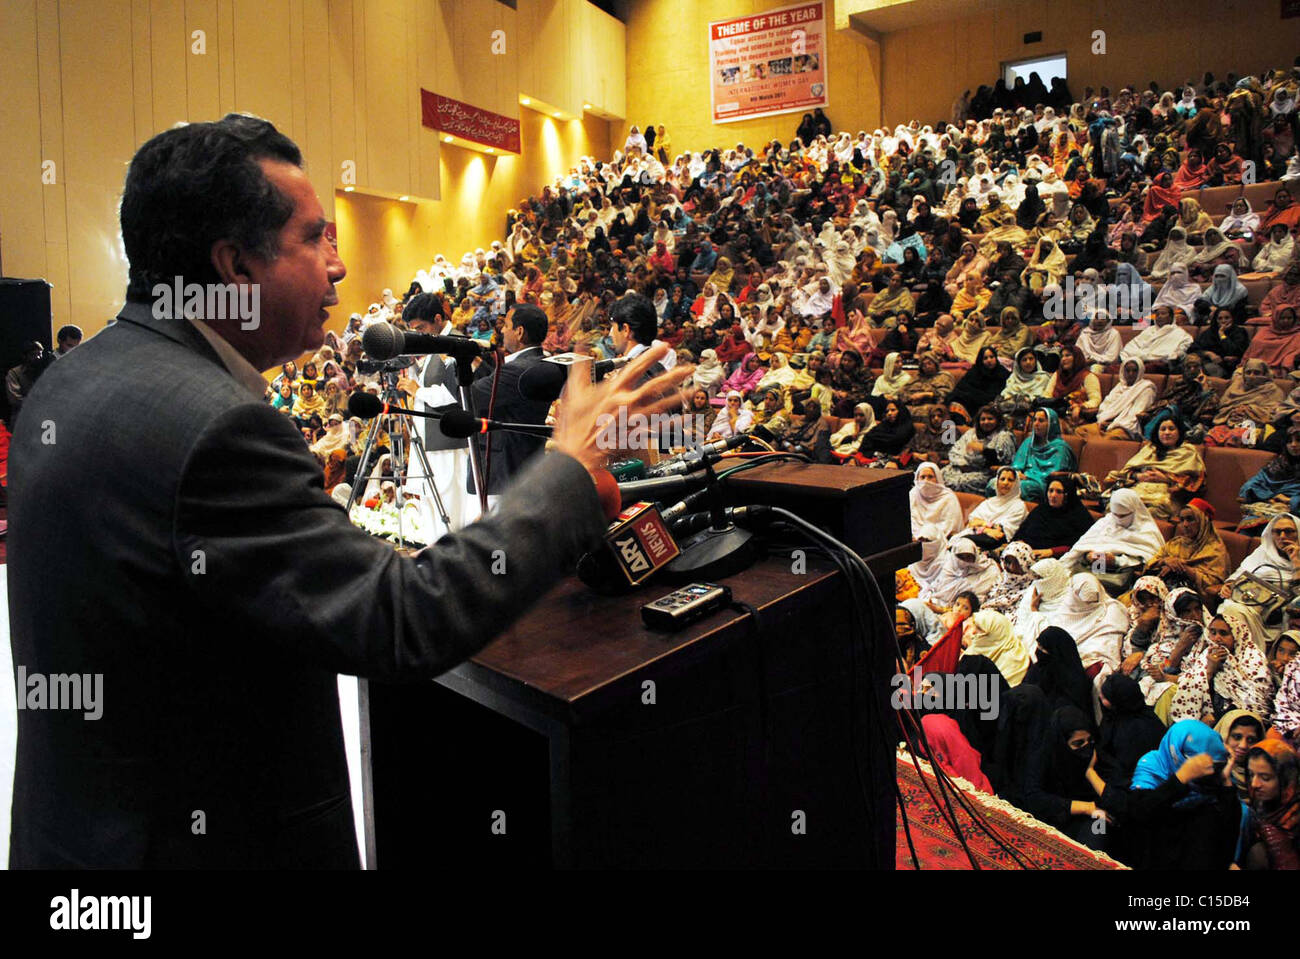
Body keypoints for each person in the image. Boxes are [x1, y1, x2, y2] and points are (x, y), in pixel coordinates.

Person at [6, 114, 690, 869]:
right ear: (235, 267)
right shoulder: (215, 428)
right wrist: (568, 465)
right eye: (314, 238)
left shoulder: (66, 382)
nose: (337, 267)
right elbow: (402, 620)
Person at [467, 302, 553, 504]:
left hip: (504, 467)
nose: (502, 331)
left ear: (520, 331)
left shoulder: (517, 369)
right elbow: (502, 388)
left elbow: (471, 396)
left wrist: (456, 363)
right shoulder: (539, 361)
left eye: (506, 325)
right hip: (525, 461)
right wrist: (479, 364)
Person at [1168, 615, 1274, 725]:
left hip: (1241, 720)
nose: (1217, 639)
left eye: (1223, 633)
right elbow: (1191, 685)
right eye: (1213, 633)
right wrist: (1210, 670)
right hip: (1209, 714)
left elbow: (1258, 703)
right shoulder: (1207, 654)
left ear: (1236, 635)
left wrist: (1218, 717)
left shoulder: (1253, 658)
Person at [1104, 408, 1204, 520]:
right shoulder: (1150, 449)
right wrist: (1139, 476)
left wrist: (1166, 478)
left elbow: (1195, 482)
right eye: (1163, 429)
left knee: (1148, 514)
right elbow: (1126, 472)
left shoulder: (1188, 451)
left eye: (1171, 429)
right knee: (1114, 507)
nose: (1167, 433)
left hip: (1167, 496)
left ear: (1179, 432)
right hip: (1140, 489)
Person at [1062, 488, 1165, 590]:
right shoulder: (1105, 523)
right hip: (1096, 570)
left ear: (1134, 511)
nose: (1118, 519)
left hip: (1123, 578)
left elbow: (1151, 561)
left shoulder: (1147, 530)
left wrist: (1116, 561)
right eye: (1115, 514)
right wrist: (1087, 556)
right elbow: (1079, 550)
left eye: (1123, 516)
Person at [1143, 501, 1230, 596]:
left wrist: (1181, 568)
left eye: (1190, 519)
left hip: (1190, 598)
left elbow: (1213, 582)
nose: (1185, 524)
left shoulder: (1215, 549)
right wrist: (1165, 561)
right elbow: (1150, 563)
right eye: (1182, 520)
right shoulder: (1175, 544)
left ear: (1203, 521)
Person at [1243, 739, 1300, 869]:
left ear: (1286, 779)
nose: (1254, 784)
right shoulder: (1258, 808)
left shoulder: (1295, 820)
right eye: (1251, 775)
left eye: (1265, 778)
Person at [1078, 358, 1156, 440]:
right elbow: (1106, 406)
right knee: (1080, 431)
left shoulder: (1146, 388)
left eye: (1134, 371)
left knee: (1106, 440)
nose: (1131, 374)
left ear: (1140, 372)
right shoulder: (1120, 386)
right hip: (1106, 423)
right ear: (1123, 371)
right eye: (1127, 370)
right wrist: (1103, 420)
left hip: (1125, 427)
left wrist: (1113, 424)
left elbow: (1135, 414)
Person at [1009, 407, 1076, 502]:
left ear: (1051, 424)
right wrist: (1016, 474)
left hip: (1043, 483)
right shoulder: (1028, 442)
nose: (1036, 424)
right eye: (1034, 420)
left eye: (1041, 421)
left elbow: (1055, 474)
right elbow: (1016, 466)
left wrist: (1028, 477)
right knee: (994, 483)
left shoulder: (1060, 447)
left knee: (1021, 487)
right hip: (1021, 478)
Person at [1215, 710, 1265, 800]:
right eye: (1237, 737)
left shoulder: (1267, 774)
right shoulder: (1208, 773)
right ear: (1224, 735)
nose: (1243, 746)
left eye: (1251, 740)